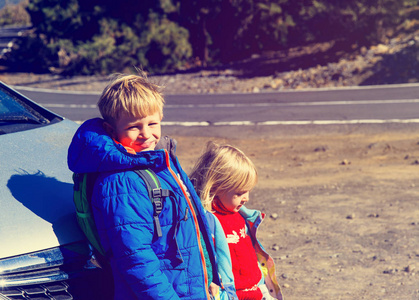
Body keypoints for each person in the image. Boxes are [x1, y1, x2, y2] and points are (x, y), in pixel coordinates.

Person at [67, 73, 226, 299]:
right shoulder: (121, 183)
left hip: (186, 286)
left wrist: (209, 277)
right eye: (134, 127)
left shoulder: (160, 161)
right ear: (111, 130)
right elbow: (135, 258)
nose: (146, 134)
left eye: (152, 123)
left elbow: (192, 230)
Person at [190, 142, 283, 300]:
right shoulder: (206, 222)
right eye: (240, 193)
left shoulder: (239, 214)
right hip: (233, 294)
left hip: (257, 288)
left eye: (248, 191)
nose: (246, 198)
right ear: (215, 188)